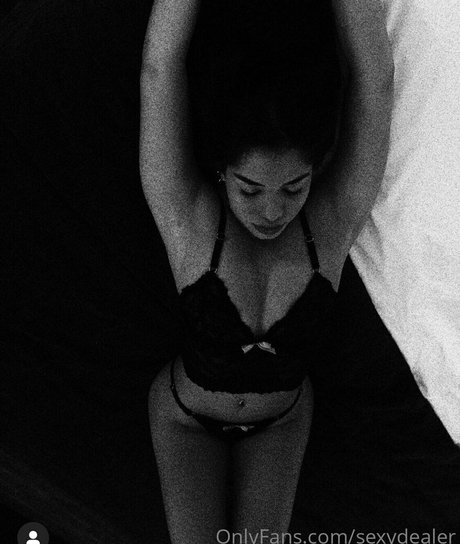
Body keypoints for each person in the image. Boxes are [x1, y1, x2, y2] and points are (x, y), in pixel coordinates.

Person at [140, 0, 393, 541]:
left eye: (294, 188)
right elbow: (160, 68)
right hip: (186, 419)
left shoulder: (331, 224)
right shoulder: (186, 216)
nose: (273, 212)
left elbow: (375, 82)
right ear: (221, 170)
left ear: (318, 170)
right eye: (250, 190)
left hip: (282, 421)